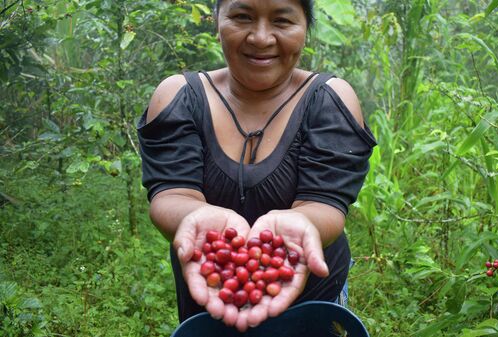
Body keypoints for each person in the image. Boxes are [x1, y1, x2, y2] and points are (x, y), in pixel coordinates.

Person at [137, 0, 376, 332]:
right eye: (242, 17)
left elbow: (325, 205)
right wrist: (195, 217)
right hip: (210, 301)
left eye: (282, 20)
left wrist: (298, 222)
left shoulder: (330, 99)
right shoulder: (178, 96)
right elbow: (171, 194)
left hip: (312, 305)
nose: (261, 38)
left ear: (306, 26)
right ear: (217, 20)